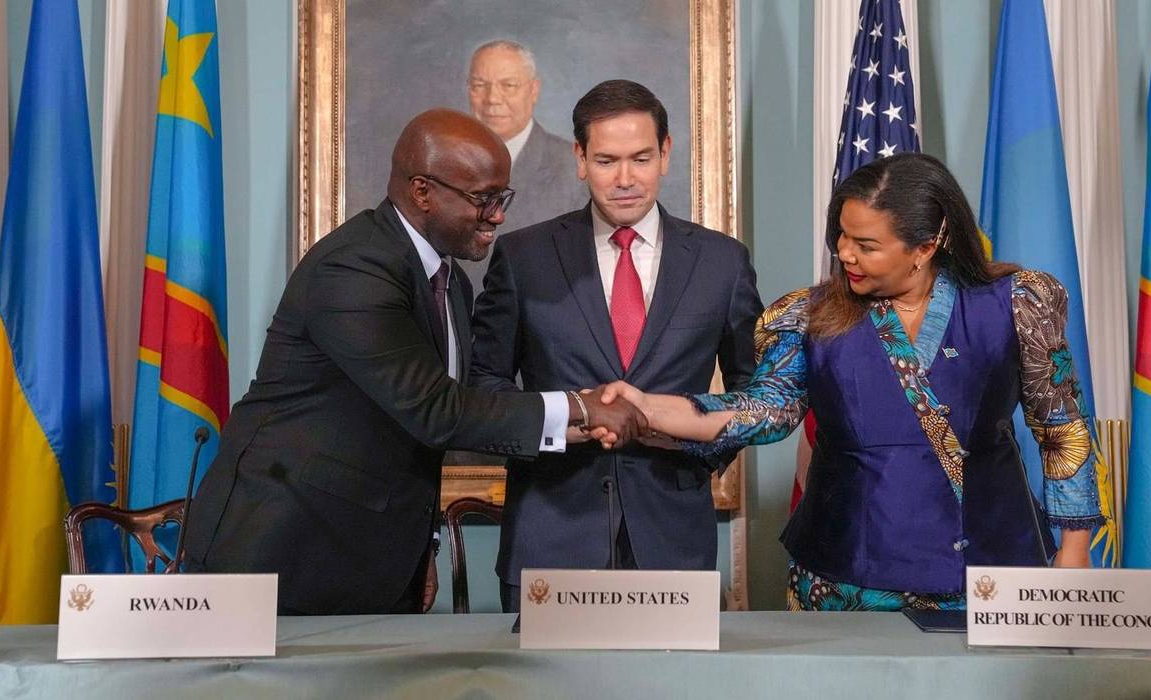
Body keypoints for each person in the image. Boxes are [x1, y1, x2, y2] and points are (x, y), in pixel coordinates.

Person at [182, 109, 645, 616]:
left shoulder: (452, 284)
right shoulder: (354, 268)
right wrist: (582, 410)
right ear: (423, 192)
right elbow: (435, 410)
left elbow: (433, 428)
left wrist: (417, 545)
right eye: (483, 199)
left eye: (502, 198)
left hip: (377, 554)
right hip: (284, 548)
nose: (497, 216)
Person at [599, 153, 1104, 611]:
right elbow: (764, 410)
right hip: (844, 578)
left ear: (925, 247)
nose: (844, 253)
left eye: (867, 245)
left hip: (990, 572)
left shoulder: (1019, 301)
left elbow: (1061, 427)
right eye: (840, 235)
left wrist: (1074, 547)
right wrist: (647, 407)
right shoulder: (808, 315)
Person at [469, 80, 764, 612]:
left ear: (666, 154)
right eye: (607, 160)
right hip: (549, 536)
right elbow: (483, 387)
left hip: (675, 541)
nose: (625, 179)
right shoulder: (522, 257)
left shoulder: (724, 263)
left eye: (641, 158)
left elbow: (755, 396)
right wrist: (574, 421)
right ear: (580, 158)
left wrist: (687, 442)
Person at [461, 39, 587, 290]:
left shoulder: (573, 168)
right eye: (479, 85)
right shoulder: (450, 163)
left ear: (534, 90)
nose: (492, 98)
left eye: (508, 85)